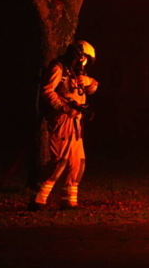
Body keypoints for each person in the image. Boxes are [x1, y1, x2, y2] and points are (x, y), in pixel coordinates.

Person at [30, 41, 98, 211]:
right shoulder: (58, 68)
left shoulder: (76, 73)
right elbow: (47, 91)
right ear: (79, 56)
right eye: (85, 60)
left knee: (77, 163)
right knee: (59, 161)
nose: (85, 64)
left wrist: (88, 81)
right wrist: (65, 108)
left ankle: (68, 200)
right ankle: (38, 199)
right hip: (62, 120)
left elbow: (92, 88)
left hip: (76, 122)